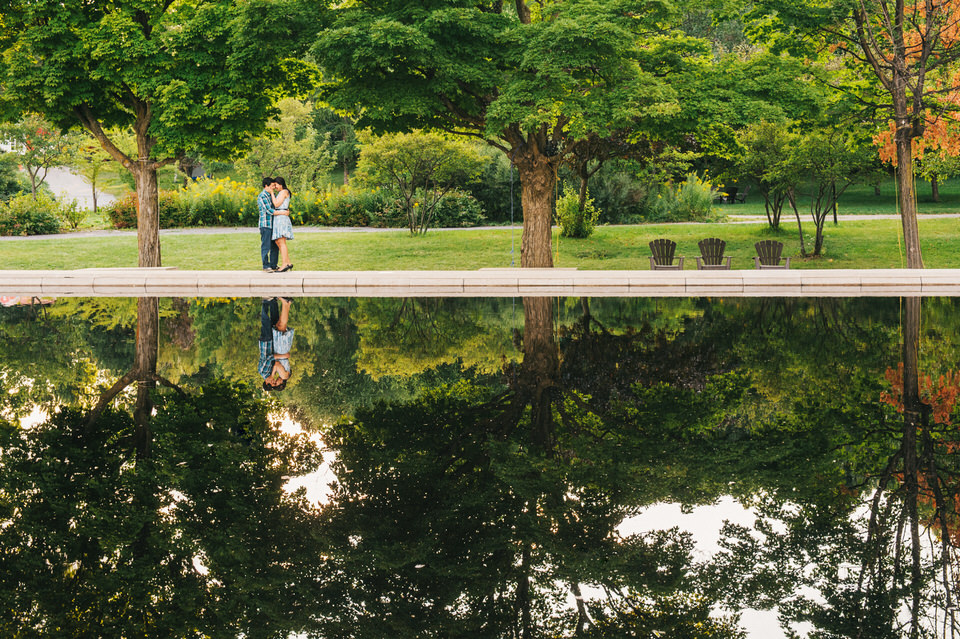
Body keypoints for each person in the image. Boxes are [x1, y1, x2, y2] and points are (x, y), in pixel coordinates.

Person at [260, 297, 293, 391]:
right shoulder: (284, 376)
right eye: (276, 384)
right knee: (281, 326)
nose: (275, 381)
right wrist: (272, 374)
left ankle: (287, 304)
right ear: (281, 384)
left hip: (279, 349)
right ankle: (285, 303)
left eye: (272, 383)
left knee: (279, 325)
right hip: (281, 350)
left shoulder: (284, 375)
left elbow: (273, 361)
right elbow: (277, 364)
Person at [270, 177, 294, 272]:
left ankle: (284, 264)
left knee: (281, 241)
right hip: (279, 216)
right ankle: (288, 262)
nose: (275, 187)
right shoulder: (281, 192)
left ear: (280, 184)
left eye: (276, 185)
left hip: (281, 217)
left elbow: (276, 204)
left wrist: (271, 193)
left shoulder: (284, 191)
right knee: (278, 241)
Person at [258, 177, 279, 273]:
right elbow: (269, 210)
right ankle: (266, 266)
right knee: (266, 246)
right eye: (272, 186)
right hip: (265, 225)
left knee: (275, 245)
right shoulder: (262, 196)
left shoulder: (272, 195)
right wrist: (283, 213)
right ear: (266, 186)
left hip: (273, 225)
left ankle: (273, 265)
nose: (274, 187)